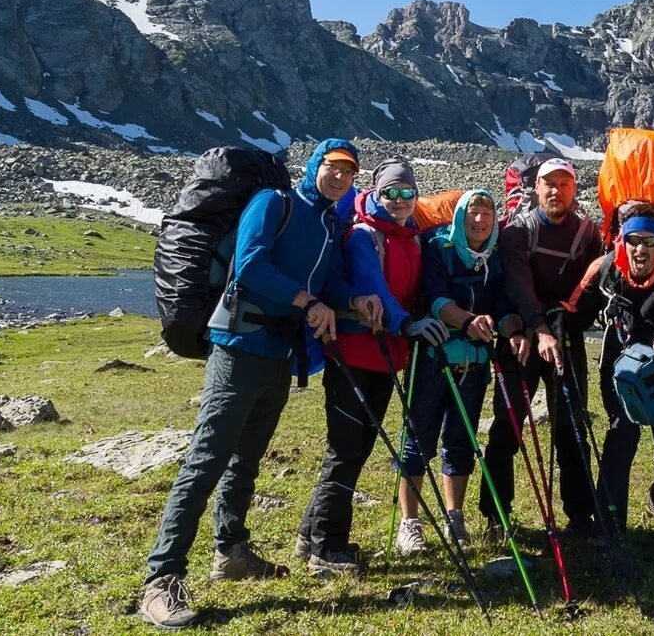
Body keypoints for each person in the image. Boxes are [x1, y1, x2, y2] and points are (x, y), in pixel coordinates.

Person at [140, 140, 383, 630]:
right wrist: (304, 301)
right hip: (239, 344)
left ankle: (230, 552)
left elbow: (327, 283)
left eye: (349, 172)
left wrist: (354, 300)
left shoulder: (330, 223)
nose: (339, 177)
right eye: (333, 167)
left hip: (277, 354)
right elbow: (248, 264)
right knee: (207, 457)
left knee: (244, 459)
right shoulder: (275, 203)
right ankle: (161, 578)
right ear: (315, 166)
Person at [294, 157, 450, 576]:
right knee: (346, 450)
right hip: (354, 353)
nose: (398, 200)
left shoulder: (410, 237)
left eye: (406, 193)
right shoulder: (365, 236)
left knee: (356, 449)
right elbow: (371, 285)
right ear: (377, 194)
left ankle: (311, 534)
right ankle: (327, 549)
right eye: (390, 192)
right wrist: (407, 324)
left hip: (385, 357)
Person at [396, 190, 526, 550]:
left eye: (487, 212)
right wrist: (469, 321)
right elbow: (436, 299)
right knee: (418, 439)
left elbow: (502, 305)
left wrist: (512, 328)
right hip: (433, 359)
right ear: (459, 217)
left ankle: (454, 518)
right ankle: (410, 523)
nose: (480, 220)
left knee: (461, 440)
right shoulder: (439, 249)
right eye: (473, 212)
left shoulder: (495, 258)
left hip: (475, 363)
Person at [482, 157, 602, 538]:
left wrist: (570, 321)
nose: (556, 191)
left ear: (574, 190)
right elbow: (517, 286)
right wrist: (539, 327)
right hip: (522, 341)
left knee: (571, 428)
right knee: (507, 427)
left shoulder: (587, 234)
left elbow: (593, 291)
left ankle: (580, 516)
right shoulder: (518, 232)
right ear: (535, 188)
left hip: (566, 339)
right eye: (549, 184)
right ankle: (495, 516)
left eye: (564, 184)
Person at [563, 204, 654, 534]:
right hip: (619, 376)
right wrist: (545, 322)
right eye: (633, 239)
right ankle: (610, 532)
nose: (640, 249)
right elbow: (574, 312)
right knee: (620, 441)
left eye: (649, 241)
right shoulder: (605, 269)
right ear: (622, 241)